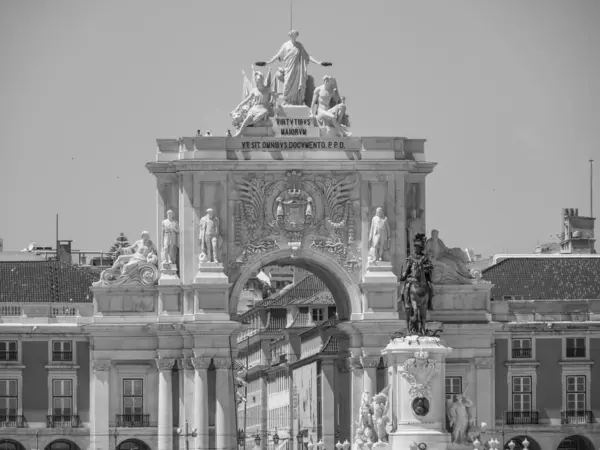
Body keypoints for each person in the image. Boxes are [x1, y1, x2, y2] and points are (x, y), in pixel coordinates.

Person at [263, 30, 327, 105]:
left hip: (297, 71)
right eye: (292, 35)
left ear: (296, 36)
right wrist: (269, 62)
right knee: (287, 84)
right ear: (290, 36)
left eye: (295, 35)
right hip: (289, 69)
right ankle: (286, 101)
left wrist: (318, 62)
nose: (294, 36)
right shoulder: (285, 45)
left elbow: (307, 56)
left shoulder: (299, 46)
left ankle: (296, 102)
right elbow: (278, 55)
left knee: (297, 87)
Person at [232, 71, 278, 137]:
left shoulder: (268, 89)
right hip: (255, 108)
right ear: (256, 81)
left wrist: (275, 100)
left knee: (263, 113)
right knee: (249, 117)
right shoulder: (254, 90)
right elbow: (247, 100)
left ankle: (246, 124)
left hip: (263, 108)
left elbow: (275, 96)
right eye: (258, 79)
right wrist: (239, 106)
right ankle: (240, 132)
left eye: (261, 79)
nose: (260, 81)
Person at [399, 233, 434, 311]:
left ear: (420, 248)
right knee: (406, 287)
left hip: (423, 278)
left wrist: (423, 267)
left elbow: (431, 266)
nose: (415, 248)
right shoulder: (411, 257)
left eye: (417, 247)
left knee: (431, 287)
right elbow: (407, 268)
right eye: (415, 247)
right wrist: (404, 275)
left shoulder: (424, 257)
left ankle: (430, 303)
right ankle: (405, 302)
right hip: (412, 277)